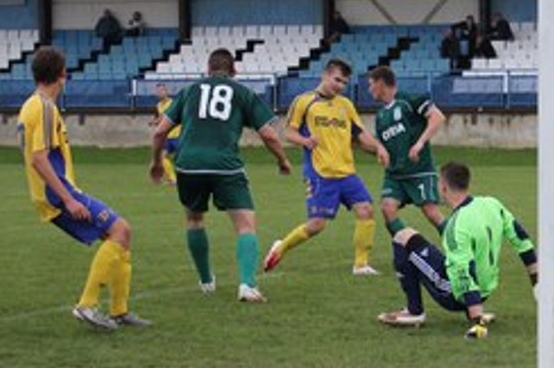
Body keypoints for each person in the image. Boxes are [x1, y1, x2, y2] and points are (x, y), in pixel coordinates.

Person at [19, 47, 148, 331]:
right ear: (62, 75)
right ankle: (87, 305)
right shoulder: (43, 107)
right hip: (57, 194)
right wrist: (68, 199)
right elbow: (39, 158)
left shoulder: (32, 105)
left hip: (54, 192)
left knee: (121, 235)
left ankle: (119, 311)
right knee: (120, 230)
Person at [151, 48, 291, 303]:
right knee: (245, 225)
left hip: (188, 165)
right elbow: (269, 134)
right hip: (225, 165)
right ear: (234, 71)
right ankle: (247, 286)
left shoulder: (190, 90)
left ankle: (206, 281)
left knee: (194, 221)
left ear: (208, 69)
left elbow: (159, 132)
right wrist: (282, 160)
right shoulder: (243, 92)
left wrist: (156, 163)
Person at [377, 161, 538, 339]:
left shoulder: (456, 225)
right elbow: (521, 239)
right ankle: (473, 310)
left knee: (401, 238)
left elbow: (463, 271)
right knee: (409, 235)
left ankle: (414, 311)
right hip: (486, 289)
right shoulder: (492, 204)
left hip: (453, 295)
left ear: (444, 187)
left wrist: (478, 322)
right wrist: (537, 282)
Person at [263, 58, 389, 277]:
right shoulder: (304, 101)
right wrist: (305, 141)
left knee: (366, 210)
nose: (339, 86)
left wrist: (379, 148)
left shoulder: (346, 105)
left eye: (344, 83)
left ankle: (361, 265)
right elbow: (288, 132)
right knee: (317, 225)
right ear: (325, 75)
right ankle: (281, 247)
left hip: (347, 173)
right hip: (321, 174)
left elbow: (360, 134)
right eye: (337, 80)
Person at [365, 65, 447, 240]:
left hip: (419, 170)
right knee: (387, 209)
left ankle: (458, 249)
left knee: (431, 212)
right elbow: (384, 145)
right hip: (395, 174)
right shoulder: (380, 116)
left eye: (371, 84)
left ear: (381, 83)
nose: (369, 89)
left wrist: (420, 143)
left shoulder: (409, 100)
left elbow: (438, 117)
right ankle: (411, 250)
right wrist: (379, 151)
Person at [149, 83, 181, 184]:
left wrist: (156, 121)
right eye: (158, 91)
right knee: (162, 157)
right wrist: (154, 121)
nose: (159, 93)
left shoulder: (173, 103)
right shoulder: (158, 106)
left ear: (166, 92)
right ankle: (173, 179)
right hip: (166, 137)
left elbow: (165, 117)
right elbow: (159, 117)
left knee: (181, 159)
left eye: (162, 90)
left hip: (177, 136)